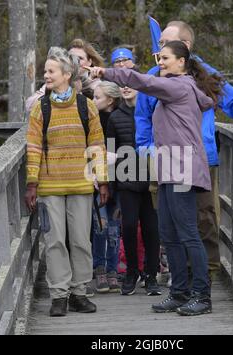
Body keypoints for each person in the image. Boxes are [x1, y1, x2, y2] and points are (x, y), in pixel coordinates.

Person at [90, 40, 224, 315]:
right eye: (158, 58)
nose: (159, 63)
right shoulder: (175, 88)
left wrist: (105, 73)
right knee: (169, 233)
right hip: (167, 170)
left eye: (164, 58)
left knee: (187, 233)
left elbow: (140, 81)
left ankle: (202, 295)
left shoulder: (180, 86)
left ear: (181, 62)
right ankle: (179, 292)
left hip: (183, 169)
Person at [134, 21, 233, 276]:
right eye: (160, 43)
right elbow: (142, 117)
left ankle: (207, 274)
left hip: (200, 157)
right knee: (169, 220)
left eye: (164, 44)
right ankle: (180, 276)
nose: (158, 48)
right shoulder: (153, 76)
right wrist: (145, 149)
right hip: (164, 159)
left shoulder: (204, 75)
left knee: (204, 217)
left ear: (184, 46)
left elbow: (230, 97)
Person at [25, 47, 109, 317]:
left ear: (66, 74)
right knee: (55, 241)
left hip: (81, 186)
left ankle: (79, 293)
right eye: (46, 71)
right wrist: (32, 184)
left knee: (82, 241)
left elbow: (97, 143)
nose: (46, 75)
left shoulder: (87, 106)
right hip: (50, 188)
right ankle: (59, 295)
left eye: (51, 71)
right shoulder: (41, 108)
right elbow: (34, 147)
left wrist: (103, 180)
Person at [103, 77, 161, 297]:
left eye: (131, 84)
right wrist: (109, 183)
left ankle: (152, 274)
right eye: (122, 85)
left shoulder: (153, 114)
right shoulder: (115, 118)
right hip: (126, 180)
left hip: (152, 179)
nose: (126, 88)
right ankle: (131, 272)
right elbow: (109, 152)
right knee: (127, 226)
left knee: (151, 229)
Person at [92, 81, 122, 293]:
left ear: (110, 100)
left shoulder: (120, 119)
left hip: (119, 179)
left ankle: (113, 270)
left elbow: (126, 147)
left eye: (97, 98)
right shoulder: (92, 120)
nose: (93, 102)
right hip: (97, 179)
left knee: (114, 226)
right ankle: (99, 268)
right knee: (100, 226)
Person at [26, 39, 104, 112]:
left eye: (79, 58)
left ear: (89, 62)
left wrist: (85, 84)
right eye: (71, 57)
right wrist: (55, 94)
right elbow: (29, 105)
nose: (74, 61)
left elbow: (97, 108)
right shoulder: (58, 80)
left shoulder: (96, 84)